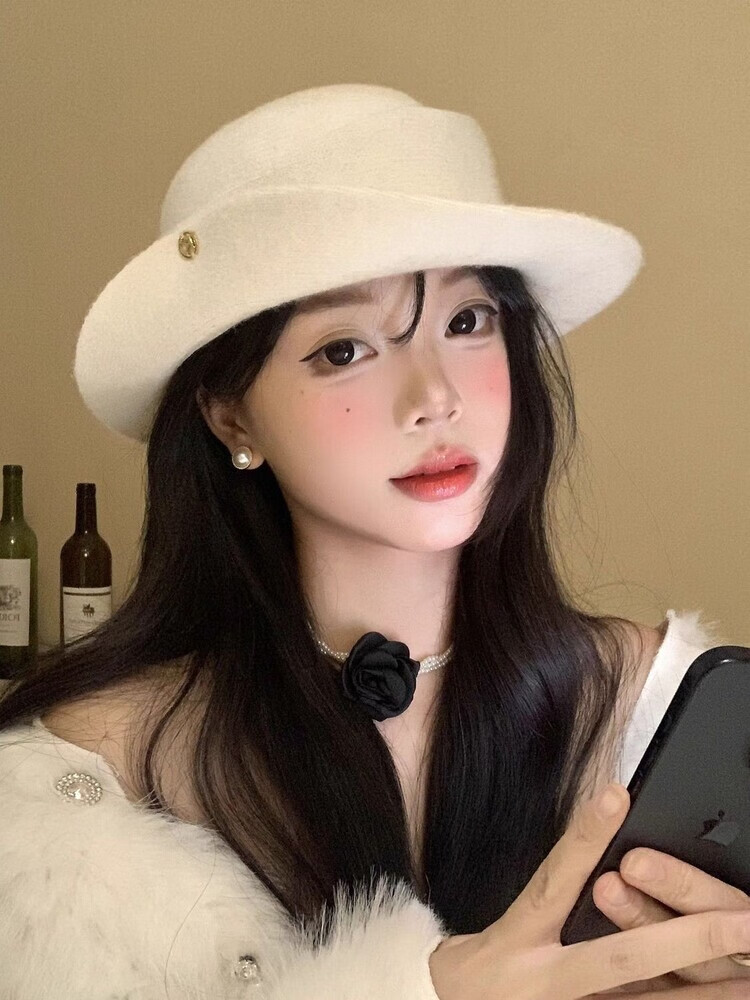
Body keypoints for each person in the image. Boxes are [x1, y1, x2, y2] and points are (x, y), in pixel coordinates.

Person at [0, 83, 743, 999]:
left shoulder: (654, 704)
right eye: (344, 349)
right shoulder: (80, 792)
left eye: (466, 322)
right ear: (231, 415)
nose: (435, 397)